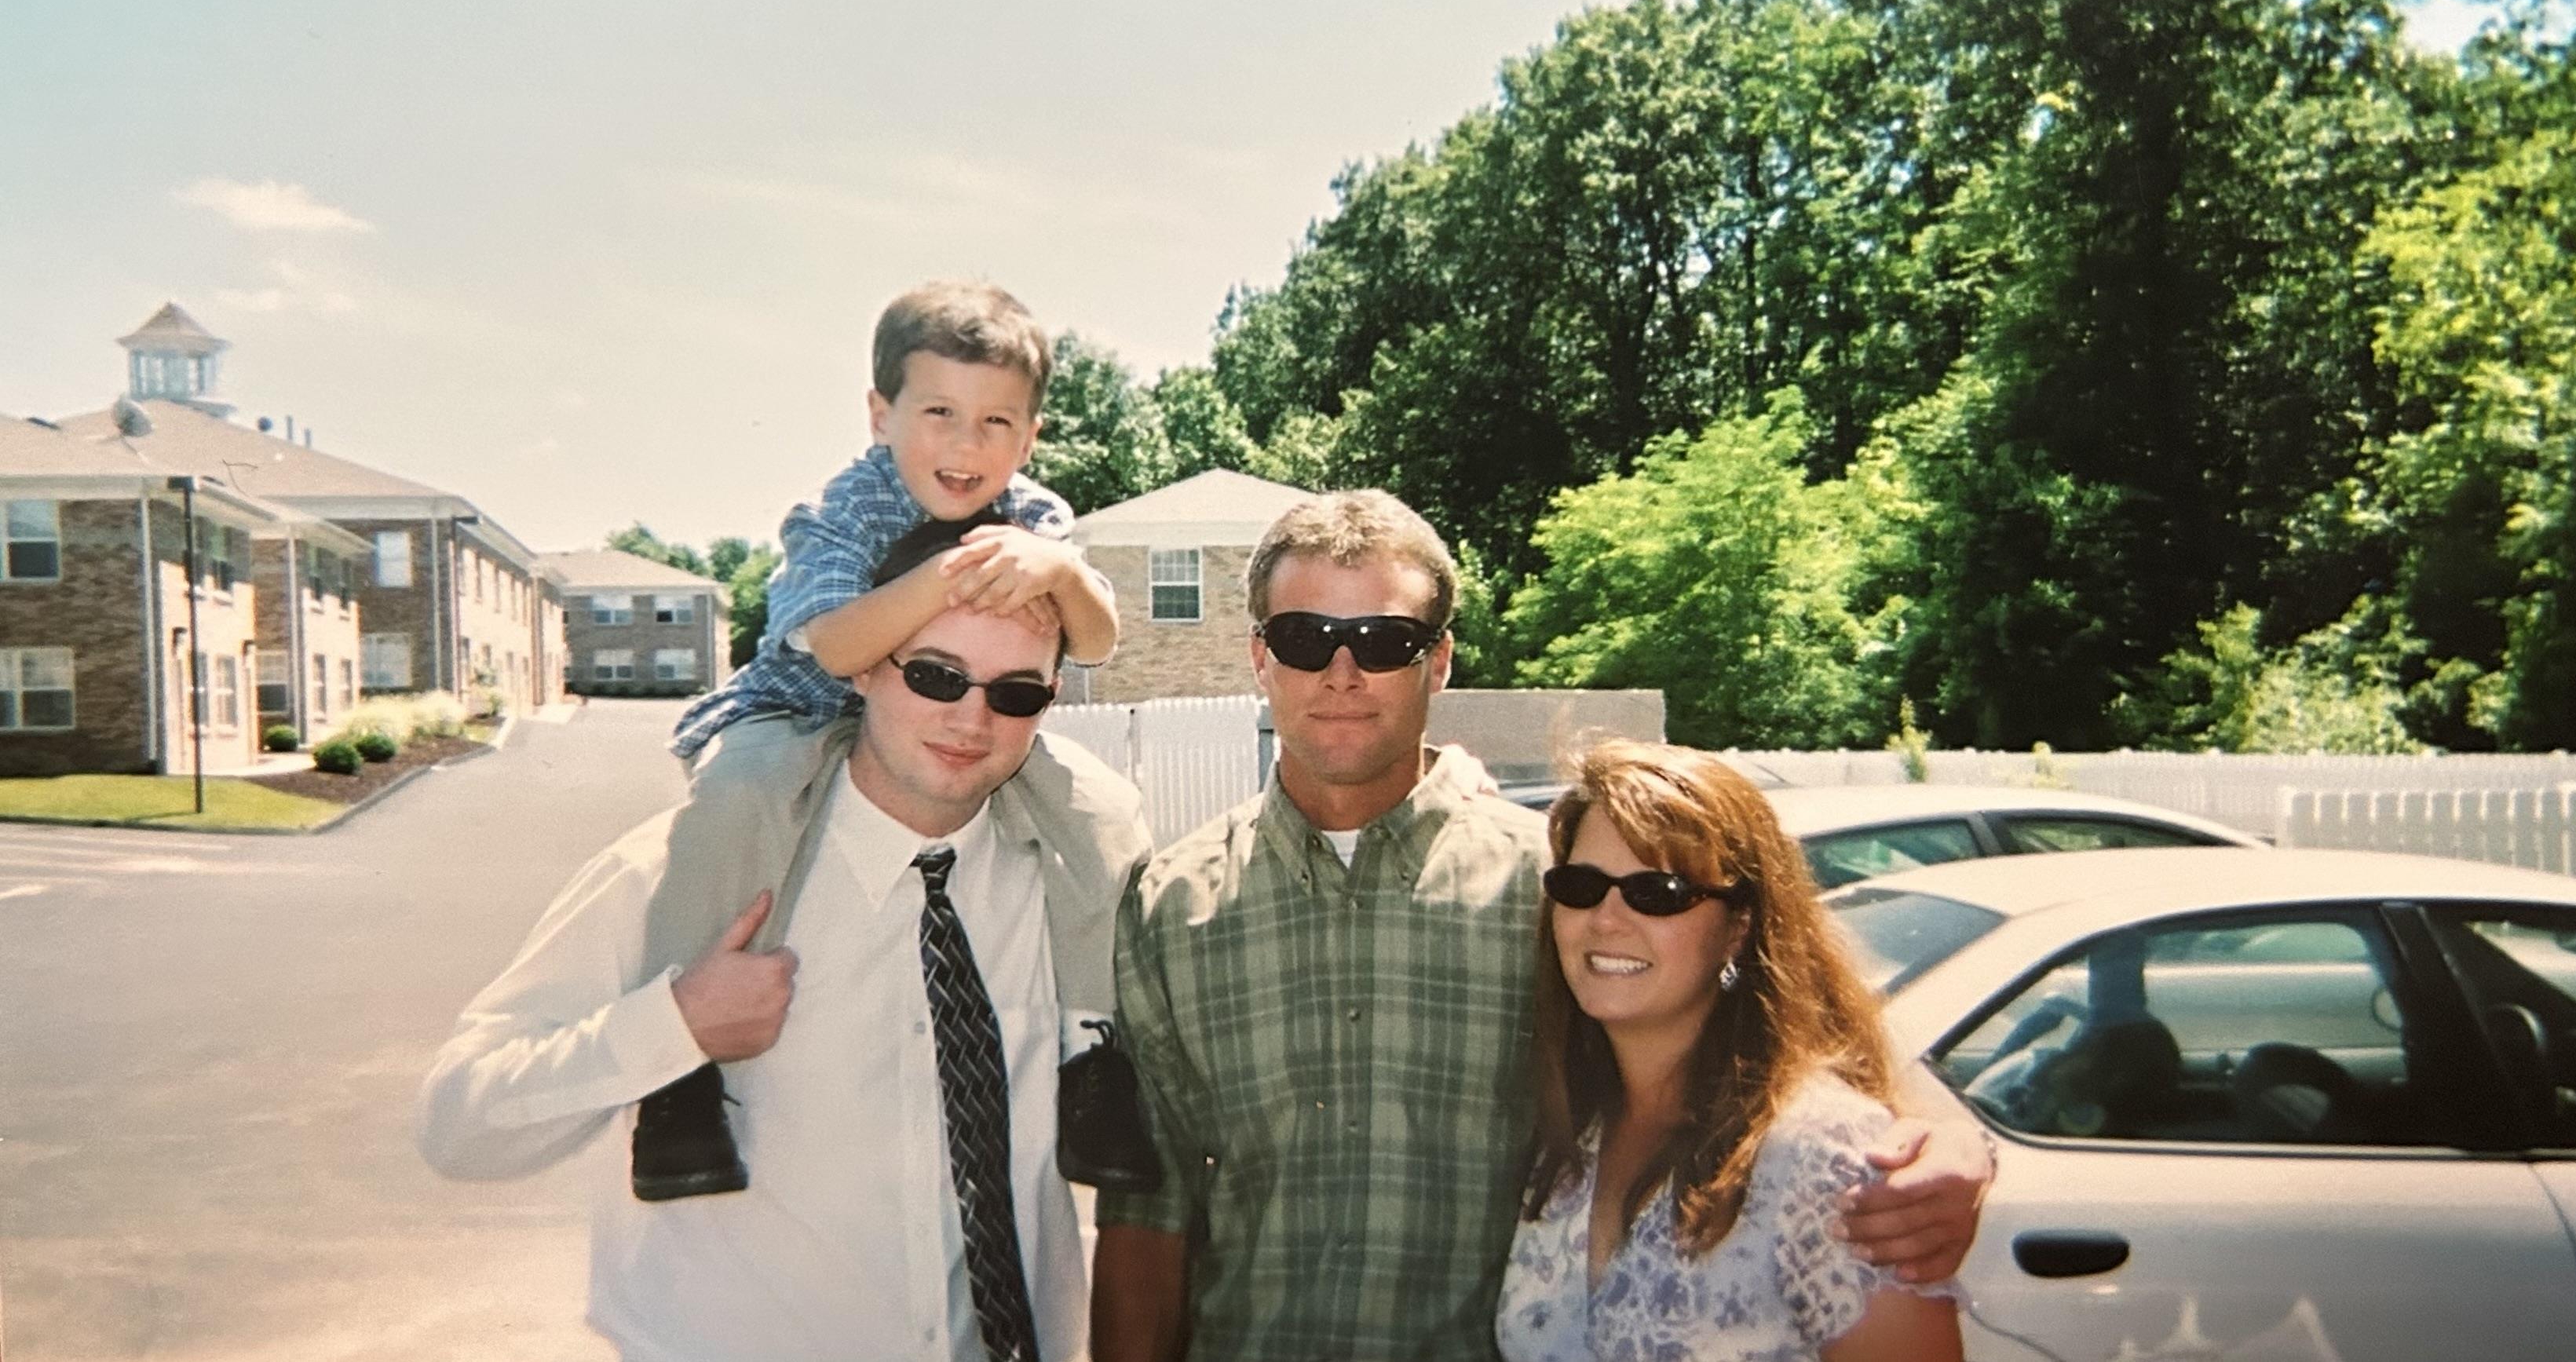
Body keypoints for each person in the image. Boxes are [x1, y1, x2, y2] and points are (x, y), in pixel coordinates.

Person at [1091, 491, 1989, 1362]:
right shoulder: (1171, 904)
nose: (1342, 670)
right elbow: (1148, 1215)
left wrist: (1954, 1146)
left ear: (1437, 662)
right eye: (1305, 637)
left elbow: (1788, 1023)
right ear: (1258, 656)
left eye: (1383, 641)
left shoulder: (1564, 892)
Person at [418, 577, 1106, 1362]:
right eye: (935, 675)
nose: (970, 716)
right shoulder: (682, 874)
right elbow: (458, 1121)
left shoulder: (1067, 892)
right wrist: (672, 1024)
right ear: (864, 669)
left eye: (1015, 693)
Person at [645, 279, 1153, 1200]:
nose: (967, 446)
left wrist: (1061, 572)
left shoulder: (1035, 519)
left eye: (997, 422)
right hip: (798, 712)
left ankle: (1092, 1054)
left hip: (950, 708)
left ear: (1030, 435)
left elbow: (1101, 640)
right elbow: (836, 644)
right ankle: (677, 1080)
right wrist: (952, 577)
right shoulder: (842, 509)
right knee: (733, 797)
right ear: (880, 414)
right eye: (939, 413)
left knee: (1098, 807)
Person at [1498, 741, 1964, 1362]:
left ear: (1738, 928)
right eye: (1581, 886)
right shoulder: (1567, 1135)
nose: (1606, 920)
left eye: (1657, 892)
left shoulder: (1823, 1156)